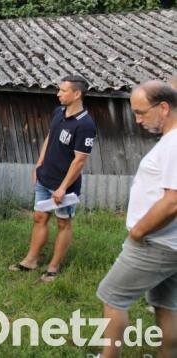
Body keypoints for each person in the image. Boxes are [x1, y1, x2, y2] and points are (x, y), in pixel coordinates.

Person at [96, 81, 177, 358]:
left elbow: (172, 200)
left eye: (141, 112)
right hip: (171, 243)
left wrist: (138, 232)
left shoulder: (175, 143)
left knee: (111, 295)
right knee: (167, 303)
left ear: (164, 108)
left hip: (155, 242)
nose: (137, 120)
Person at [9, 75, 96, 281]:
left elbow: (80, 160)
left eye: (63, 90)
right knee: (39, 217)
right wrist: (39, 164)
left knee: (63, 223)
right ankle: (30, 261)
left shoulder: (86, 125)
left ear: (77, 94)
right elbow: (50, 136)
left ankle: (53, 267)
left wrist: (63, 188)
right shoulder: (58, 112)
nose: (58, 94)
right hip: (44, 177)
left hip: (63, 186)